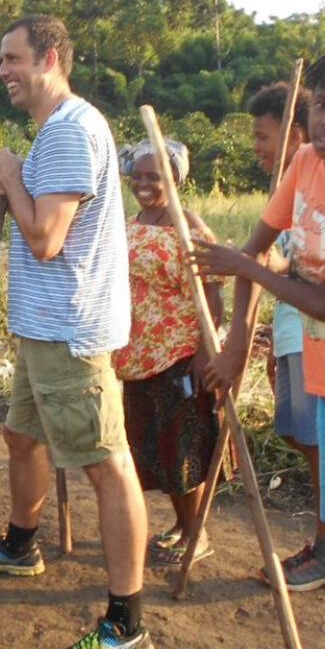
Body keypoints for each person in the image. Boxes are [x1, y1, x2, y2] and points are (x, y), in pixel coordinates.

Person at [0, 15, 156, 649]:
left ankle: (127, 625)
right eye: (1, 60)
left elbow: (46, 239)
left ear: (49, 57)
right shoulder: (56, 132)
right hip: (43, 327)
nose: (3, 71)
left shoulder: (68, 130)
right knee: (22, 437)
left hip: (71, 332)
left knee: (105, 464)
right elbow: (40, 222)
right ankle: (20, 545)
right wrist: (14, 181)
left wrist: (10, 176)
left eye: (12, 59)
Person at [193, 47, 325, 649]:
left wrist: (246, 266)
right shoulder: (304, 161)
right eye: (320, 106)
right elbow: (254, 248)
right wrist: (235, 345)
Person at [248, 82, 325, 591]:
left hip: (319, 333)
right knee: (300, 436)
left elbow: (313, 271)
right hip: (294, 331)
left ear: (295, 134)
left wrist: (269, 266)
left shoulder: (324, 187)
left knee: (319, 443)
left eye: (264, 136)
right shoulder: (290, 190)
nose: (258, 148)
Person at [113, 140, 223, 566]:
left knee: (183, 450)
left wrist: (203, 349)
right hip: (137, 357)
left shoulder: (189, 225)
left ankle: (198, 534)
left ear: (174, 178)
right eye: (137, 176)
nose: (143, 184)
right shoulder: (129, 223)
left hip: (177, 353)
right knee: (157, 449)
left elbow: (212, 294)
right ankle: (180, 527)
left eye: (153, 177)